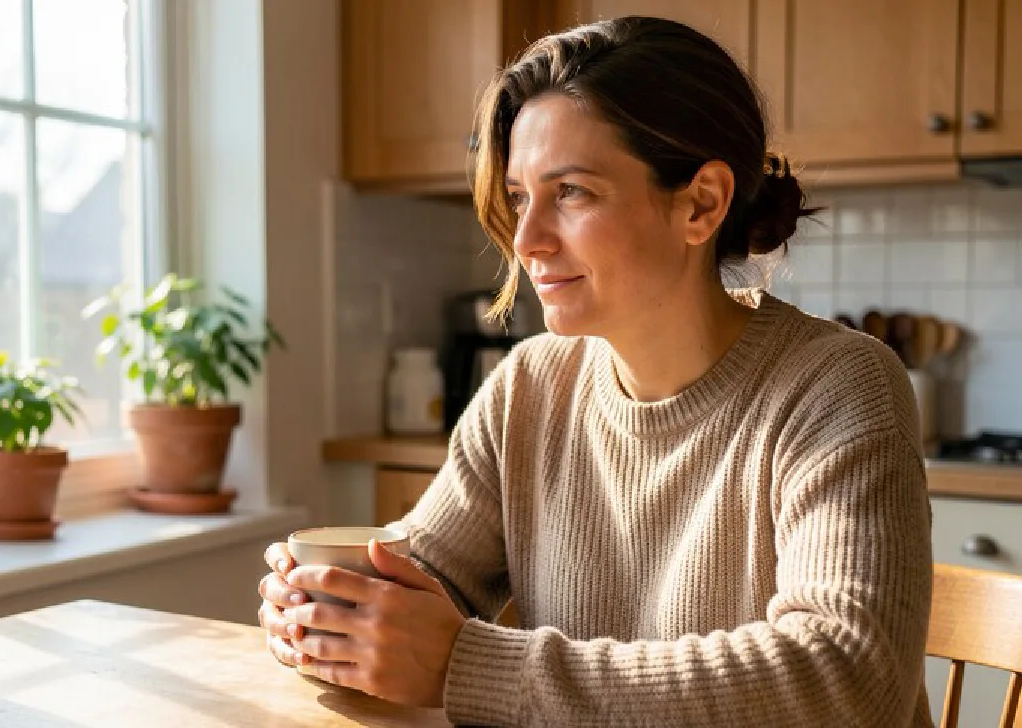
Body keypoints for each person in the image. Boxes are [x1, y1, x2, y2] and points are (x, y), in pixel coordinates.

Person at [258, 16, 933, 727]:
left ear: (701, 203)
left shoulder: (838, 386)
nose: (526, 240)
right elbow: (426, 576)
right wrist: (331, 613)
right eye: (520, 197)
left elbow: (847, 676)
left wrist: (470, 666)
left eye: (572, 192)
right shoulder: (528, 387)